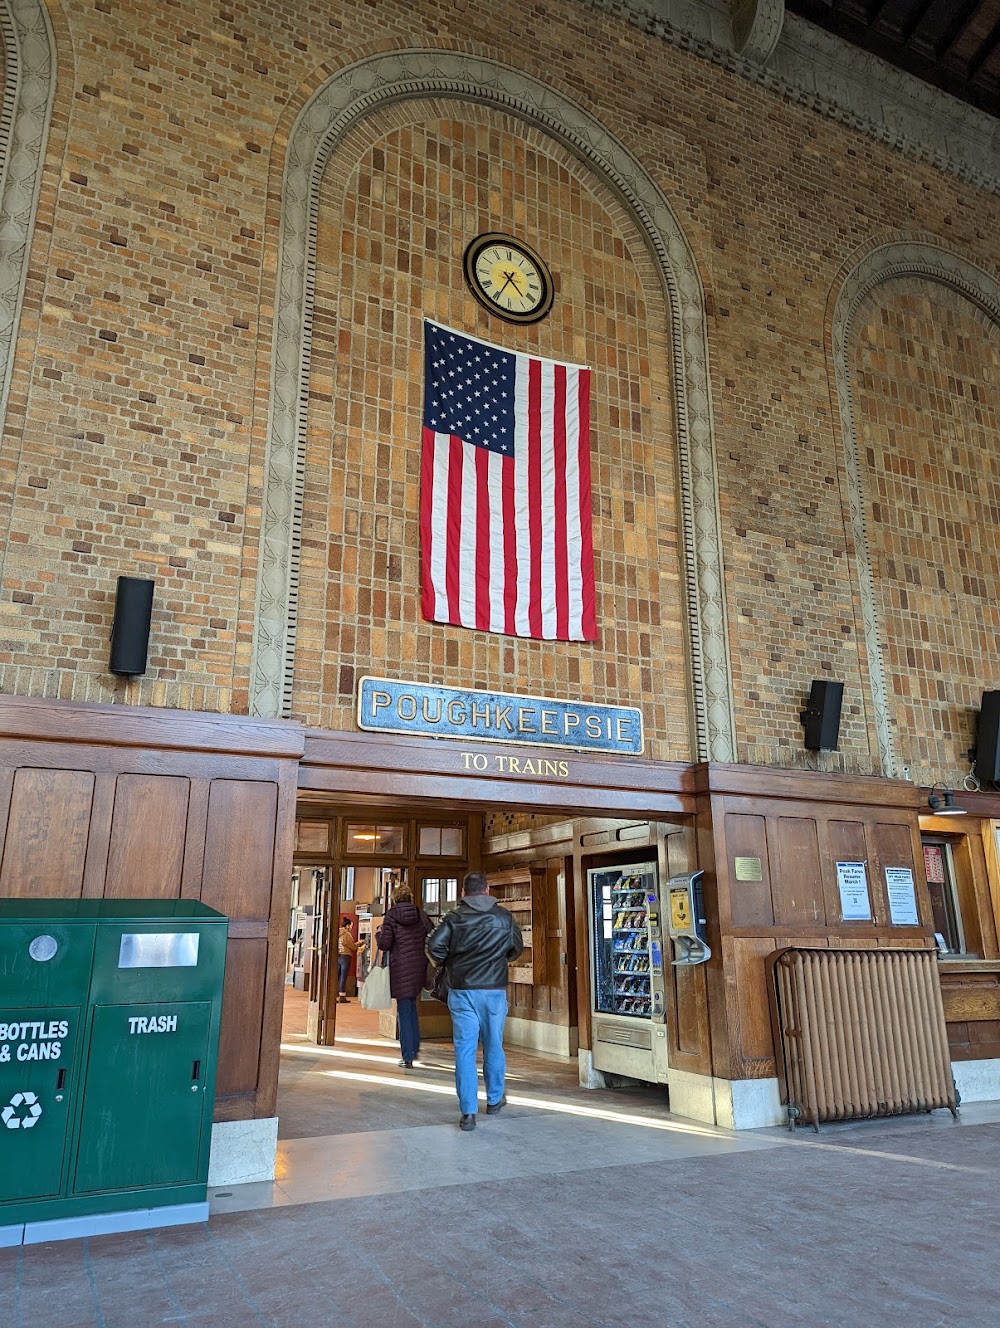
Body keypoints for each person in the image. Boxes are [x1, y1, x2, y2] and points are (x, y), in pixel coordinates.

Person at [426, 870, 524, 1131]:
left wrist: (450, 963)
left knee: (465, 1050)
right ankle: (494, 1100)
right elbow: (516, 948)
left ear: (463, 893)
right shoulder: (504, 917)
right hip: (494, 991)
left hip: (462, 990)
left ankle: (468, 1113)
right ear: (488, 890)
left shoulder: (453, 917)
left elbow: (434, 946)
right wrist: (497, 960)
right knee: (494, 1044)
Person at [376, 885, 434, 1067]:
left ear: (394, 899)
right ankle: (414, 1048)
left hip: (399, 967)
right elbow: (433, 933)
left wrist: (379, 935)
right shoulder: (421, 914)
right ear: (409, 897)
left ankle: (408, 1054)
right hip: (418, 966)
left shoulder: (391, 916)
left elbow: (385, 944)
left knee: (404, 1009)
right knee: (411, 1008)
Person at [336, 916, 365, 1003]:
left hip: (338, 956)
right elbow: (352, 946)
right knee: (343, 977)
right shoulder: (346, 934)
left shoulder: (338, 932)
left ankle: (333, 995)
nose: (352, 927)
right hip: (345, 956)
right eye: (351, 925)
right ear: (348, 925)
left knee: (337, 976)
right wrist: (360, 943)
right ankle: (342, 996)